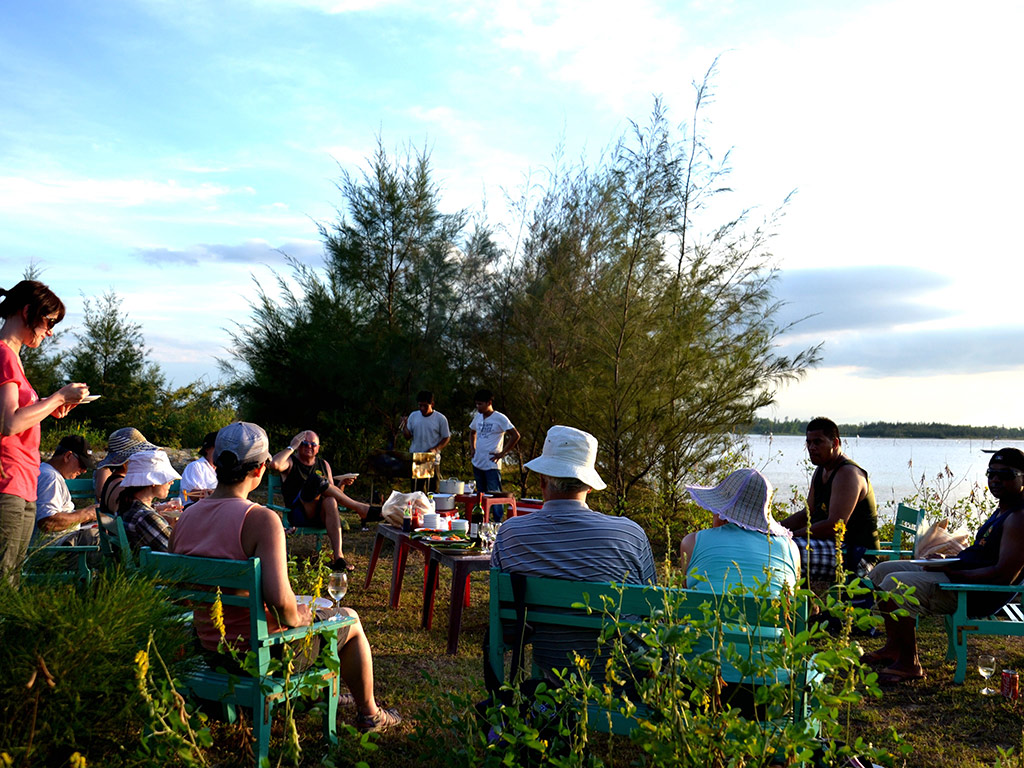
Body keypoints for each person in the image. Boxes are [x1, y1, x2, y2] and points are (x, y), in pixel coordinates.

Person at [170, 421, 401, 732]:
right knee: (350, 620)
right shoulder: (260, 519)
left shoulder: (186, 517)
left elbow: (182, 591)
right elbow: (283, 609)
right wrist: (304, 614)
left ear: (218, 461)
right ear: (260, 468)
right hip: (261, 656)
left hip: (210, 652)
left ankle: (322, 695)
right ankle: (371, 714)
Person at [491, 425, 656, 682]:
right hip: (622, 674)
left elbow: (507, 621)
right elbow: (649, 607)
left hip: (554, 667)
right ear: (589, 486)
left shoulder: (510, 533)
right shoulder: (630, 534)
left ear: (542, 480)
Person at [862, 448, 1024, 684]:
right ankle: (894, 647)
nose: (996, 479)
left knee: (893, 584)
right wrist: (949, 560)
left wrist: (952, 570)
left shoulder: (1019, 518)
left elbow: (1003, 576)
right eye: (992, 473)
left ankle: (910, 664)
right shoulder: (1003, 508)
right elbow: (984, 555)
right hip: (960, 573)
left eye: (1006, 474)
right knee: (881, 571)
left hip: (975, 591)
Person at [0, 280, 90, 584]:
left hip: (22, 486)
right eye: (49, 322)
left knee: (12, 580)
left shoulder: (13, 358)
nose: (50, 331)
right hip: (8, 483)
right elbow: (9, 423)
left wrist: (48, 408)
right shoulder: (4, 355)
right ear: (27, 312)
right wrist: (58, 397)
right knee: (5, 584)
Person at [780, 417, 880, 580]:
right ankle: (805, 604)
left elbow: (835, 525)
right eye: (809, 442)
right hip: (834, 548)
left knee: (785, 550)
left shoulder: (848, 474)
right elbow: (808, 513)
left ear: (835, 443)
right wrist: (774, 529)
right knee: (776, 544)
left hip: (858, 557)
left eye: (817, 442)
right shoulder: (821, 471)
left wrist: (791, 536)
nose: (811, 448)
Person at [269, 430, 381, 571]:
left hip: (322, 516)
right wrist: (291, 447)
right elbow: (274, 464)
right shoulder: (291, 462)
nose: (308, 446)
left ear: (318, 448)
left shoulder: (323, 464)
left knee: (330, 501)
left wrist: (343, 485)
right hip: (299, 515)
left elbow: (334, 495)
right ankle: (362, 509)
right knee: (315, 480)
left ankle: (339, 558)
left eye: (312, 444)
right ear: (298, 445)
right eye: (304, 443)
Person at [680, 468, 800, 594]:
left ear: (722, 514)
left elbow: (686, 595)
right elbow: (795, 603)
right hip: (770, 614)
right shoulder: (790, 549)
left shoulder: (691, 543)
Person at [33, 435, 101, 547]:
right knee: (107, 539)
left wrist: (85, 518)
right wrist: (87, 514)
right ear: (68, 456)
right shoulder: (50, 478)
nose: (84, 471)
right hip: (56, 549)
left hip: (62, 543)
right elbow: (48, 522)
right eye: (82, 464)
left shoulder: (46, 472)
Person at [469, 388, 520, 522]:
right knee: (480, 495)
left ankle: (498, 522)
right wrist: (472, 449)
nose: (478, 407)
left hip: (491, 463)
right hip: (478, 461)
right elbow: (472, 432)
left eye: (480, 404)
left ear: (489, 402)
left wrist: (503, 453)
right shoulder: (478, 417)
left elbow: (515, 435)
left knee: (495, 494)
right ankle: (481, 520)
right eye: (476, 404)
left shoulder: (499, 418)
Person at [117, 449, 180, 553]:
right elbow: (176, 550)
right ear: (153, 481)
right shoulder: (145, 516)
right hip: (156, 567)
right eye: (167, 478)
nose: (172, 482)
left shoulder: (128, 506)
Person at [93, 427, 159, 518]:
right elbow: (136, 517)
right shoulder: (123, 487)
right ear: (129, 459)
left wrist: (156, 508)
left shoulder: (113, 481)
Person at [400, 391, 450, 493]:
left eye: (425, 406)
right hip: (416, 458)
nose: (422, 408)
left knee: (433, 491)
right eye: (420, 405)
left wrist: (436, 449)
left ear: (432, 404)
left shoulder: (440, 419)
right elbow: (407, 436)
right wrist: (404, 425)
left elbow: (446, 437)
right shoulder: (414, 416)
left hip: (432, 459)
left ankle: (432, 508)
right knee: (417, 492)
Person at [179, 431, 218, 505]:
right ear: (207, 449)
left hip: (213, 506)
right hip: (193, 507)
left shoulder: (222, 468)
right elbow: (193, 496)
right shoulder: (196, 466)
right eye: (217, 448)